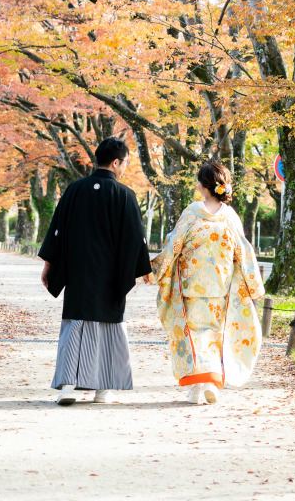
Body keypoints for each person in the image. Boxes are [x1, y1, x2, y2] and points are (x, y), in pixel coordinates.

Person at [39, 137, 152, 406]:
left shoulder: (74, 190)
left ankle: (67, 387)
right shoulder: (125, 195)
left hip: (78, 273)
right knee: (108, 327)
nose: (124, 167)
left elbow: (57, 230)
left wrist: (48, 265)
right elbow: (136, 238)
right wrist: (141, 267)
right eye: (124, 163)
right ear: (116, 163)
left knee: (75, 326)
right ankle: (103, 390)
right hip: (111, 275)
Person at [152, 160, 264, 405]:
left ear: (204, 187)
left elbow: (174, 244)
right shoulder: (230, 216)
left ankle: (195, 390)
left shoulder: (192, 212)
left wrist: (154, 270)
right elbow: (243, 251)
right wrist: (254, 285)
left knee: (193, 335)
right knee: (215, 334)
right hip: (220, 287)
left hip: (192, 286)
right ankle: (211, 383)